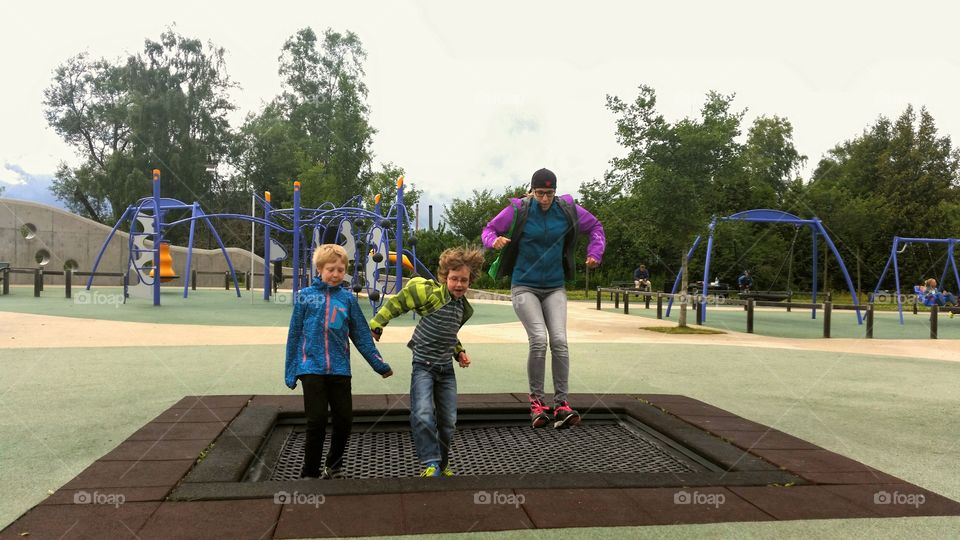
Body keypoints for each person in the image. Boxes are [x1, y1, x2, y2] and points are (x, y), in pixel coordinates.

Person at [482, 168, 606, 429]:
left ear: (555, 191)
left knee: (559, 341)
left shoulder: (566, 209)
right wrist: (493, 241)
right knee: (539, 339)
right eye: (540, 193)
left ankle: (562, 404)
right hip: (524, 286)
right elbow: (489, 228)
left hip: (554, 287)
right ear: (532, 190)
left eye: (550, 193)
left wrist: (596, 252)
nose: (545, 199)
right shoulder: (520, 210)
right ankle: (537, 403)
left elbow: (595, 226)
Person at [369, 246, 485, 477]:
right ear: (444, 277)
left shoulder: (462, 307)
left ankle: (442, 465)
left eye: (464, 280)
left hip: (446, 369)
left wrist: (459, 352)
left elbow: (449, 332)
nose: (459, 284)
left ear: (470, 280)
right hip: (423, 365)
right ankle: (431, 463)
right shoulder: (429, 294)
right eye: (454, 279)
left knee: (449, 420)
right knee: (422, 413)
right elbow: (397, 303)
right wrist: (377, 323)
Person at [284, 244, 394, 479]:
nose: (336, 274)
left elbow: (362, 335)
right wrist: (291, 370)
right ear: (319, 269)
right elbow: (294, 334)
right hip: (310, 367)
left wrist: (379, 365)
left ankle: (332, 466)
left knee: (344, 420)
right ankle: (309, 472)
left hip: (339, 369)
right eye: (331, 269)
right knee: (317, 421)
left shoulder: (347, 300)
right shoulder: (305, 297)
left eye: (341, 270)